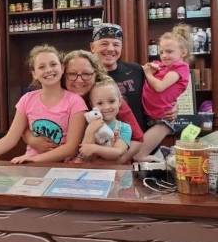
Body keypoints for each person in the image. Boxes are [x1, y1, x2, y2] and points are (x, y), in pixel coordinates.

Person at [0, 44, 87, 163]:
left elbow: (71, 148)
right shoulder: (27, 100)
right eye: (41, 67)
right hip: (31, 166)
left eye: (53, 64)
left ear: (62, 68)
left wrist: (34, 159)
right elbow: (11, 138)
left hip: (62, 168)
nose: (49, 70)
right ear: (34, 74)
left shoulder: (75, 102)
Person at [24, 49, 143, 162]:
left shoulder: (107, 97)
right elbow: (24, 125)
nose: (79, 80)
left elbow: (137, 140)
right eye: (72, 74)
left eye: (86, 74)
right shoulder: (53, 95)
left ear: (96, 73)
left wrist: (115, 162)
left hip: (103, 165)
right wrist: (31, 139)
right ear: (63, 74)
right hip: (60, 165)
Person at [90, 23, 177, 161]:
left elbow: (157, 95)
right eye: (104, 44)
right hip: (105, 152)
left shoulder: (136, 70)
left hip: (143, 149)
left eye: (116, 44)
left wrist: (173, 106)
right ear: (93, 47)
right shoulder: (89, 76)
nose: (111, 49)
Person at [134, 24, 191, 161]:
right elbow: (143, 69)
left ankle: (162, 161)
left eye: (169, 52)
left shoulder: (179, 69)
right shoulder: (162, 66)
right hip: (150, 116)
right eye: (162, 52)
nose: (164, 56)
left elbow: (160, 87)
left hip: (163, 120)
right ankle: (161, 155)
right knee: (142, 151)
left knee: (138, 155)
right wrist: (149, 69)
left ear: (183, 53)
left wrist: (148, 74)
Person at [79, 77, 132, 161]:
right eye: (100, 103)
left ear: (119, 102)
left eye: (111, 101)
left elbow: (118, 152)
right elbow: (85, 156)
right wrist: (90, 131)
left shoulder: (124, 128)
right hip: (91, 171)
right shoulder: (87, 124)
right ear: (92, 105)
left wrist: (95, 148)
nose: (106, 107)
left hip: (114, 171)